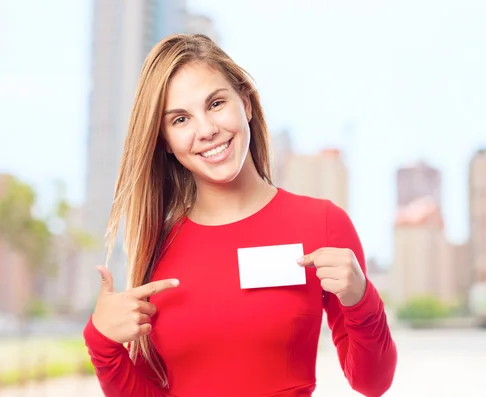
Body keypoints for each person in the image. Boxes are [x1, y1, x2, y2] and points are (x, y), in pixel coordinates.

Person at [83, 33, 397, 397]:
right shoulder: (159, 242)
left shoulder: (323, 224)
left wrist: (360, 298)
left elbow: (372, 383)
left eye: (216, 104)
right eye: (181, 119)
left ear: (245, 102)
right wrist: (101, 342)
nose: (206, 130)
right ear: (165, 141)